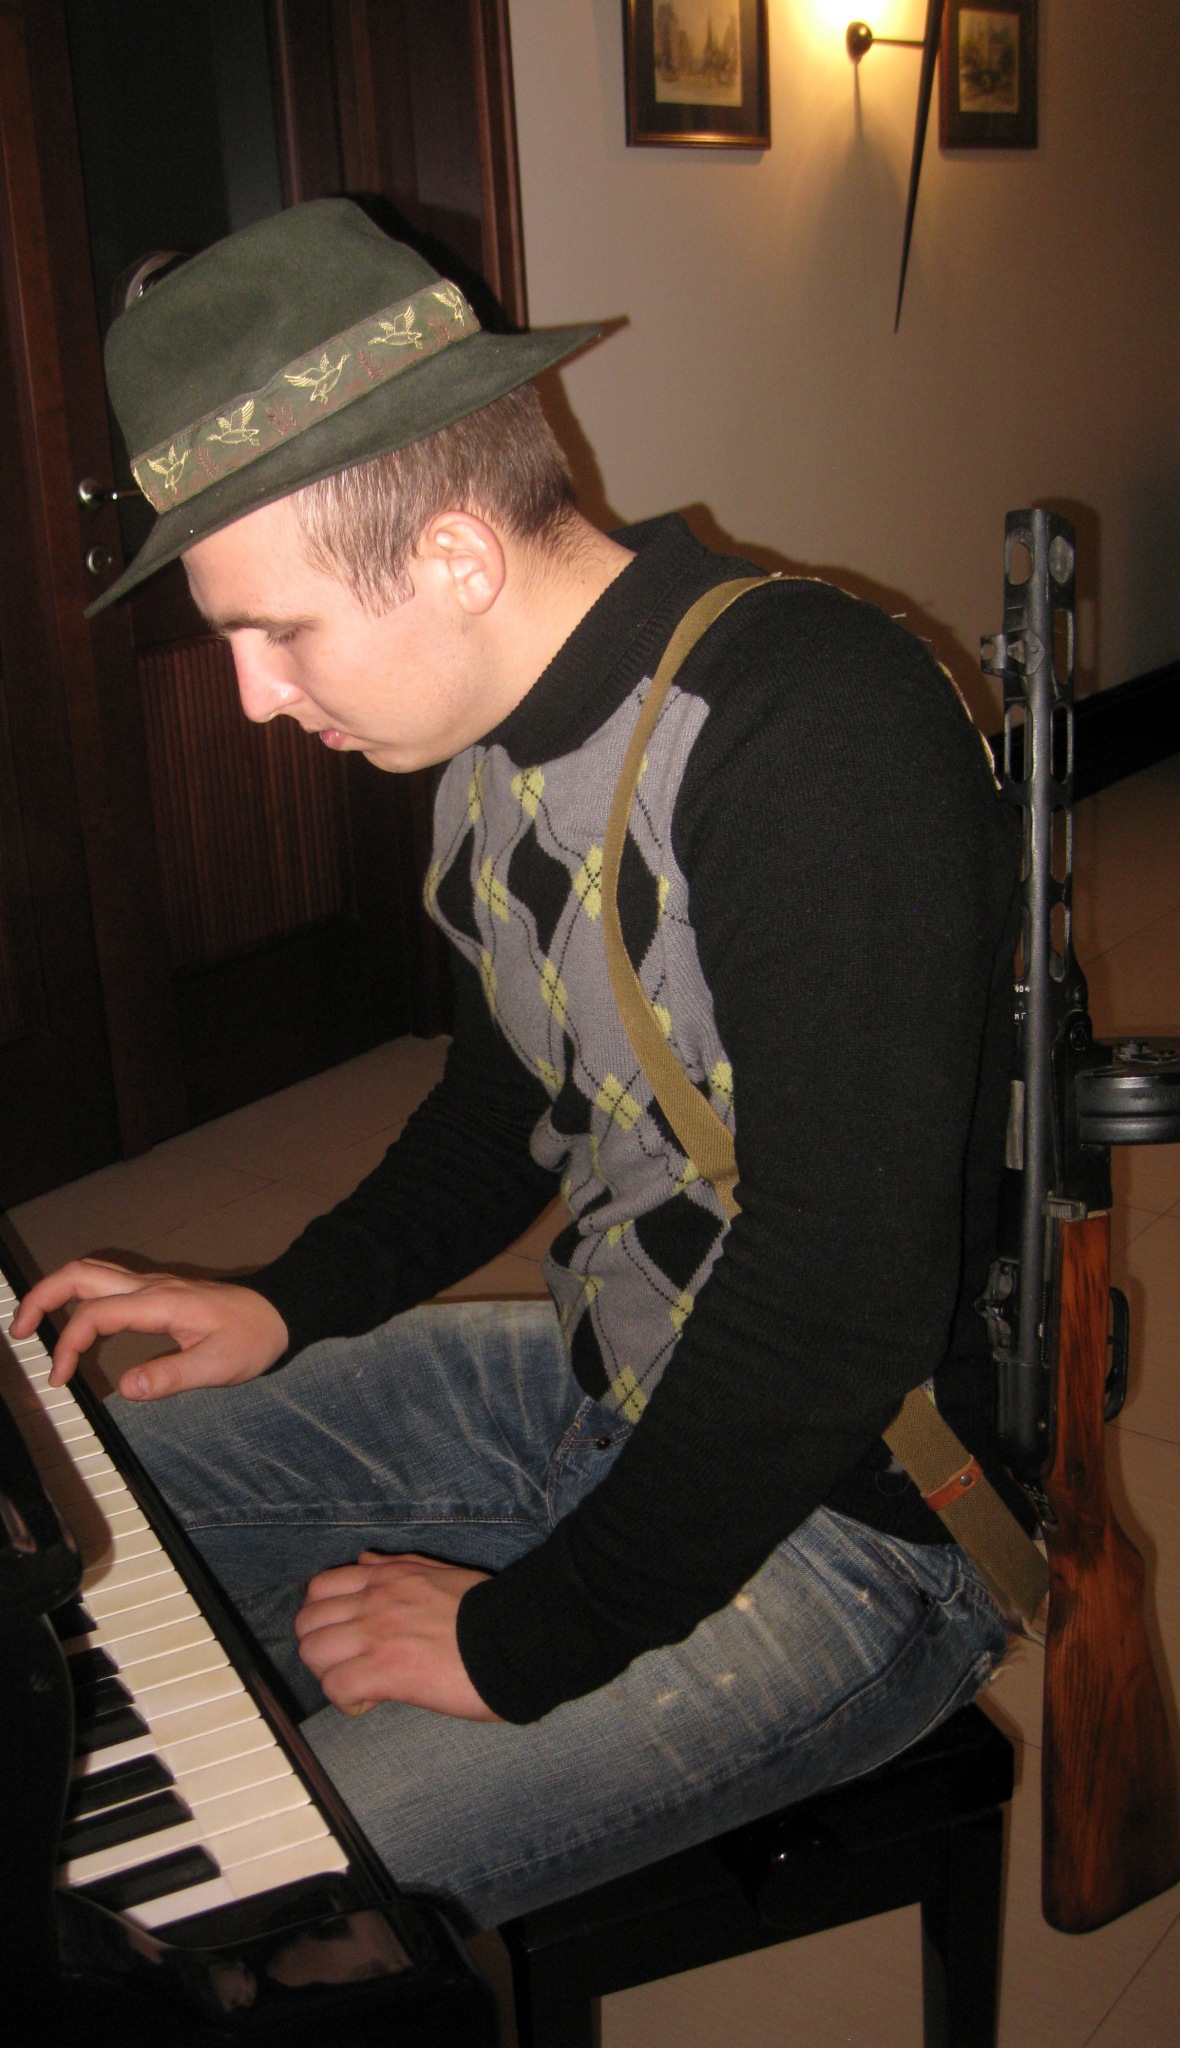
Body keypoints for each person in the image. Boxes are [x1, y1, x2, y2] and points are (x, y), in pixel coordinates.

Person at [14, 198, 1021, 1930]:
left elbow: (846, 1295)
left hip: (857, 1514)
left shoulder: (812, 730)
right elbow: (509, 1108)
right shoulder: (488, 741)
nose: (254, 700)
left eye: (279, 633)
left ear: (458, 559)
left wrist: (524, 1636)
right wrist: (285, 1300)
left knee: (236, 1903)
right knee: (84, 1516)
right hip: (600, 1377)